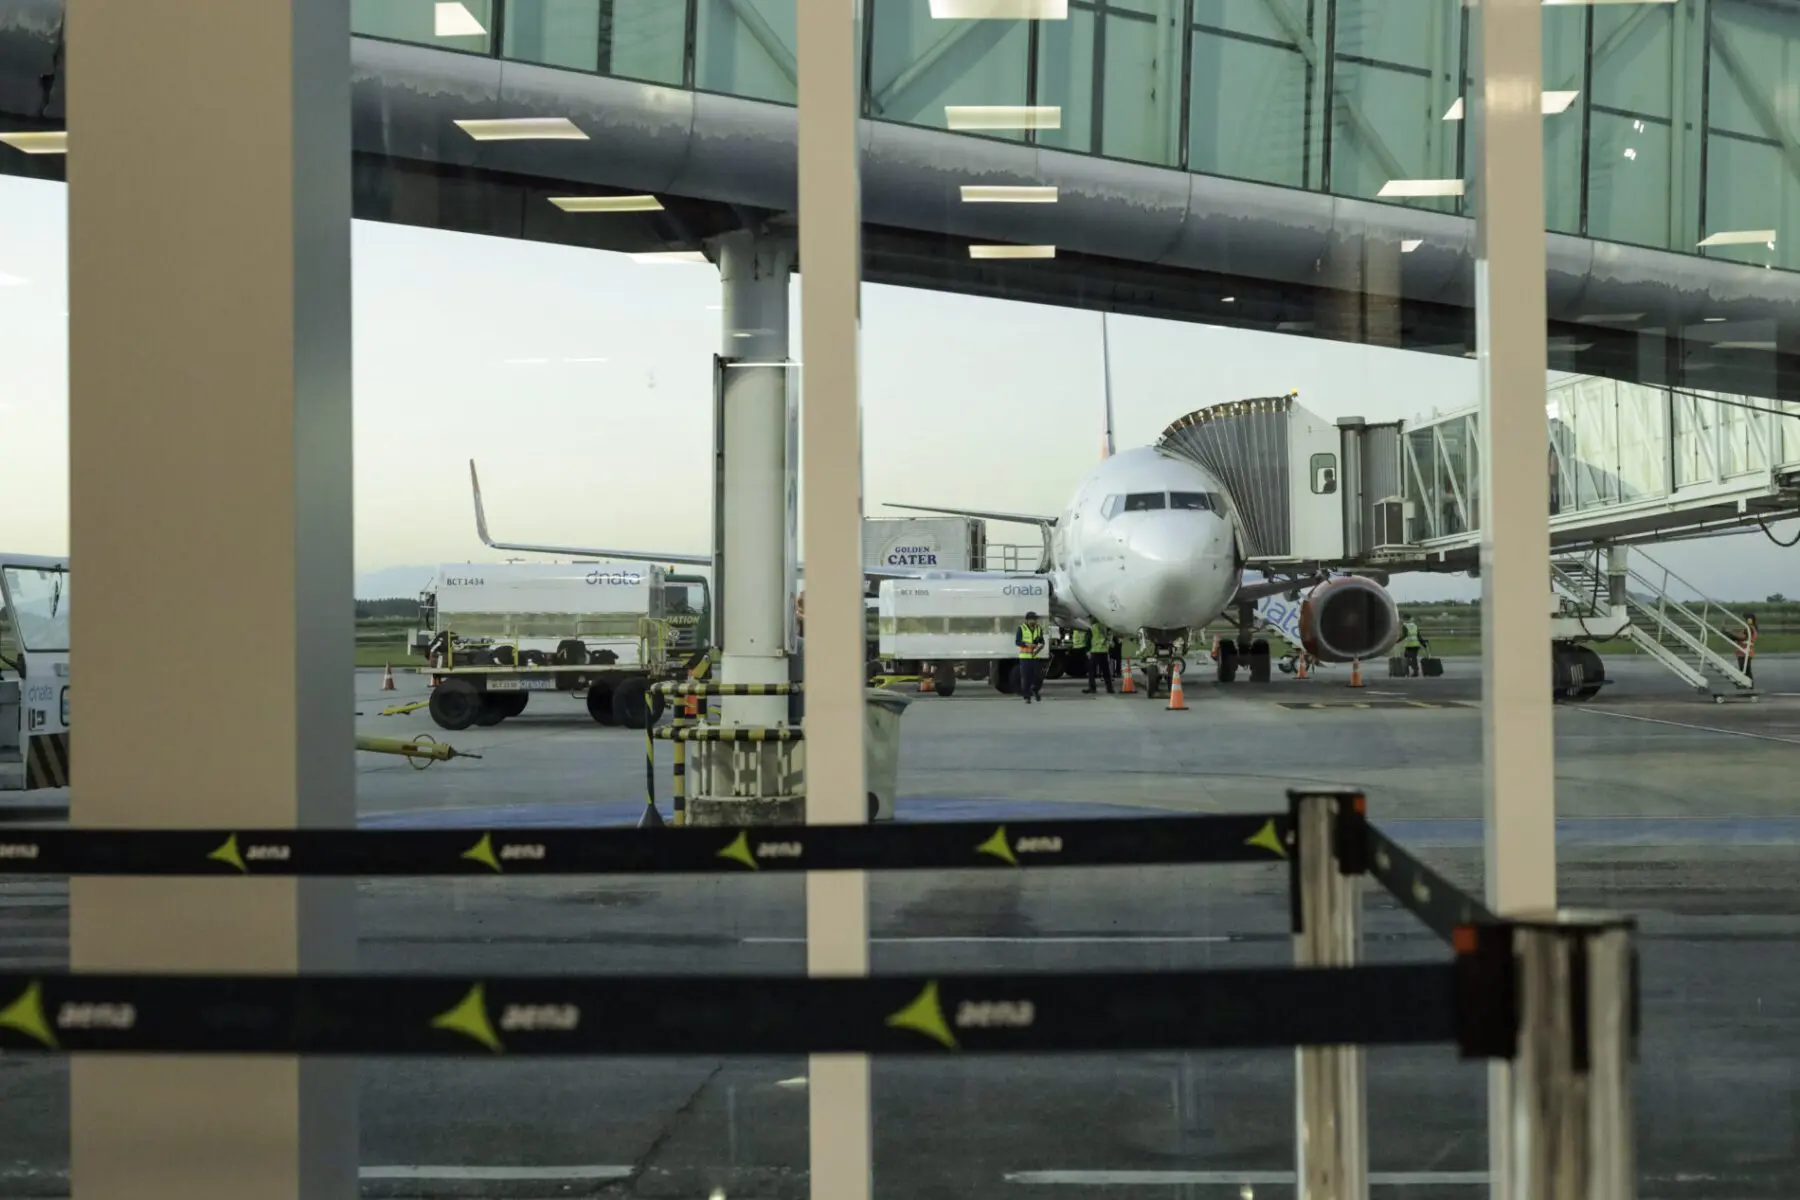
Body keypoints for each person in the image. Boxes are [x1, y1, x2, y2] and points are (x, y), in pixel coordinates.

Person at [1016, 610, 1047, 703]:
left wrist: (1040, 645)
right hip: (1025, 658)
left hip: (1035, 657)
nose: (1034, 621)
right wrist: (1028, 644)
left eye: (1035, 619)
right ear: (1027, 620)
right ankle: (1027, 697)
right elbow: (1017, 641)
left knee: (1038, 677)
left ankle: (1035, 689)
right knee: (1026, 677)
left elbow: (1042, 641)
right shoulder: (1021, 628)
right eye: (1032, 619)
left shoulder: (1038, 629)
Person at [1084, 624, 1115, 694]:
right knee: (1106, 671)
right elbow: (1110, 639)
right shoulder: (1107, 627)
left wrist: (1087, 651)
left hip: (1094, 652)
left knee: (1091, 671)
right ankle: (1109, 689)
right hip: (1104, 652)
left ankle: (1092, 688)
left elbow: (1088, 640)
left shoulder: (1092, 628)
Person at [1735, 612, 1758, 682]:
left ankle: (1748, 684)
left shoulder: (1749, 629)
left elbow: (1742, 637)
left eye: (1745, 619)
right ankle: (1748, 684)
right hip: (1745, 651)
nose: (1744, 621)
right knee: (1746, 670)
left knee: (1745, 670)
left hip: (1744, 652)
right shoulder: (1750, 628)